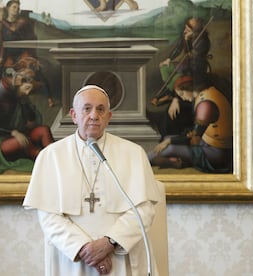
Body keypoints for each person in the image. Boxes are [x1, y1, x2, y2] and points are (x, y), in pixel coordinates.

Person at [23, 85, 166, 275]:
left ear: (109, 116)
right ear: (74, 115)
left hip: (122, 257)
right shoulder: (51, 156)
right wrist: (85, 249)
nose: (94, 115)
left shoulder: (133, 153)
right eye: (87, 108)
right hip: (72, 261)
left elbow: (144, 210)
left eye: (101, 109)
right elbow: (48, 216)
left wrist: (110, 242)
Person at [0, 57, 54, 174]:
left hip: (16, 136)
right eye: (25, 79)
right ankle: (48, 163)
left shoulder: (17, 92)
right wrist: (14, 133)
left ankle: (54, 157)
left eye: (30, 80)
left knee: (43, 130)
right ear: (12, 76)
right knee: (22, 143)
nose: (29, 83)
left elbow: (31, 124)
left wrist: (23, 100)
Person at [148, 75, 233, 173]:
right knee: (169, 139)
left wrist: (169, 141)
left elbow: (194, 138)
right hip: (207, 143)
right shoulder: (207, 92)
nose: (182, 98)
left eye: (182, 94)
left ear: (189, 88)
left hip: (218, 153)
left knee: (170, 148)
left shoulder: (205, 105)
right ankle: (175, 161)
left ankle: (144, 159)